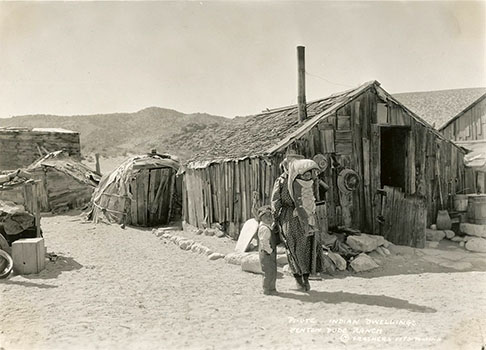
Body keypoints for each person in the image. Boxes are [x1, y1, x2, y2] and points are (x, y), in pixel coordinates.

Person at [271, 157, 324, 292]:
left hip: (291, 217)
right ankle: (305, 281)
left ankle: (300, 282)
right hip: (307, 216)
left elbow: (276, 201)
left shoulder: (282, 181)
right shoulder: (307, 179)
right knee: (305, 248)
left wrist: (274, 218)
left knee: (293, 249)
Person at [257, 205, 279, 296]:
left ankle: (272, 288)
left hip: (269, 252)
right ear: (261, 218)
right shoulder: (264, 229)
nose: (269, 218)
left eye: (270, 216)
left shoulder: (268, 227)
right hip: (266, 252)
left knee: (273, 270)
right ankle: (266, 288)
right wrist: (269, 251)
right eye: (266, 216)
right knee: (268, 271)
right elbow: (264, 242)